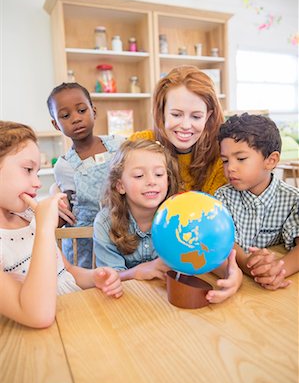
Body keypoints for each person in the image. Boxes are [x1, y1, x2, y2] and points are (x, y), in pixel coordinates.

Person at [0, 121, 123, 328]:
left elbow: (66, 271)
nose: (37, 183)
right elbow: (37, 315)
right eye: (28, 169)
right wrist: (45, 229)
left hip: (74, 315)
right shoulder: (33, 227)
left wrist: (94, 277)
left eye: (37, 173)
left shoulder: (28, 217)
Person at [94, 139, 242, 303]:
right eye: (139, 175)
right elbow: (108, 279)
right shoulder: (105, 223)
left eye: (159, 174)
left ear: (168, 180)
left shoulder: (185, 215)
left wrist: (234, 276)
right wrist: (137, 272)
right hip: (127, 305)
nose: (151, 181)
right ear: (120, 185)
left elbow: (217, 263)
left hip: (169, 305)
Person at [214, 113, 299, 290]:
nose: (230, 168)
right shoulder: (222, 198)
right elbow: (225, 241)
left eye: (241, 159)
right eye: (225, 160)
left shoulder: (293, 199)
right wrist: (248, 265)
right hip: (239, 281)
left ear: (270, 161)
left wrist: (277, 270)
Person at [47, 82, 124, 268]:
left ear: (94, 111)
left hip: (121, 234)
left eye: (81, 110)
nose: (75, 118)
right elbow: (67, 205)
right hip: (86, 244)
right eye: (65, 116)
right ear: (56, 124)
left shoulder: (120, 146)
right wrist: (54, 206)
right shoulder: (64, 165)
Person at [129, 65, 227, 195]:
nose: (186, 125)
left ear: (208, 116)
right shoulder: (138, 144)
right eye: (176, 115)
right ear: (162, 111)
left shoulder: (221, 155)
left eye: (196, 116)